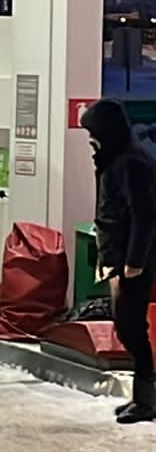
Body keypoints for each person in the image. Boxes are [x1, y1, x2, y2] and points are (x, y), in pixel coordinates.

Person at [80, 98, 156, 425]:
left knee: (131, 325)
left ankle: (147, 398)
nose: (89, 139)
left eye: (93, 132)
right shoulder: (112, 160)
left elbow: (144, 215)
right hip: (117, 258)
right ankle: (143, 397)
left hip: (132, 260)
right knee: (124, 324)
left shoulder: (131, 163)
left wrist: (134, 261)